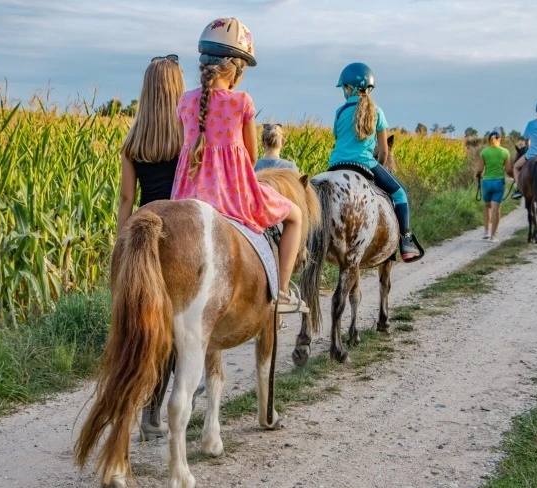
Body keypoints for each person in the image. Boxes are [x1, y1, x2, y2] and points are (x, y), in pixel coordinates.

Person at [171, 17, 307, 314]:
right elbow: (253, 157)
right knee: (295, 216)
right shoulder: (242, 102)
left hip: (186, 196)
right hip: (231, 196)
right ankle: (281, 293)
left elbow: (187, 147)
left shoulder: (185, 101)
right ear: (236, 68)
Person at [327, 62, 421, 262]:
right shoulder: (377, 112)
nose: (344, 91)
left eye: (344, 88)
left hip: (335, 164)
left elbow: (339, 139)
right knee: (400, 193)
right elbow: (384, 150)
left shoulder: (339, 111)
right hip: (365, 163)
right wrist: (379, 163)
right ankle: (405, 241)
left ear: (349, 88)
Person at [117, 55, 185, 230]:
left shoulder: (133, 142)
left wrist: (119, 246)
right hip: (181, 220)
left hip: (145, 220)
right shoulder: (188, 136)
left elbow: (126, 198)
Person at [476, 131, 510, 242]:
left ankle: (486, 231)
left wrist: (476, 174)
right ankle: (493, 236)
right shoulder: (505, 152)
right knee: (496, 209)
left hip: (486, 182)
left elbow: (480, 170)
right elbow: (508, 170)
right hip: (498, 182)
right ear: (500, 139)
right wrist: (514, 176)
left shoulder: (484, 152)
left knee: (487, 207)